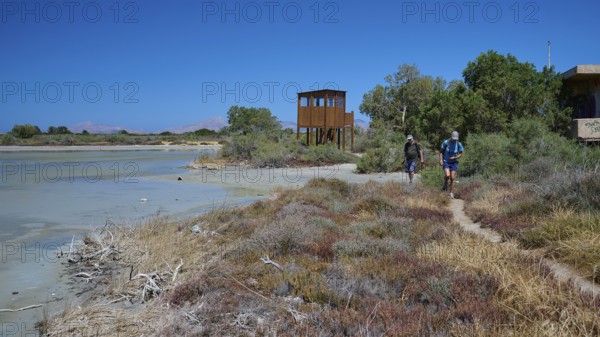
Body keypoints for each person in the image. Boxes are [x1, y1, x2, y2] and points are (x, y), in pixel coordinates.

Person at [439, 131, 464, 198]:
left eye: (455, 139)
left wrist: (455, 157)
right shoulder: (446, 143)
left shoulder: (459, 144)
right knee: (447, 175)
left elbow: (461, 153)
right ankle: (445, 184)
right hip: (446, 161)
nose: (454, 140)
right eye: (453, 139)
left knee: (452, 178)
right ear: (451, 137)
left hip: (454, 163)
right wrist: (441, 160)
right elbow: (441, 152)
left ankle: (451, 193)